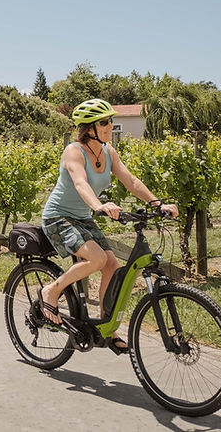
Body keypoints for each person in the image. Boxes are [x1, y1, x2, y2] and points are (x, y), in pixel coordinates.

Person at [38, 99, 177, 354]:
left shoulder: (108, 151)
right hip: (58, 216)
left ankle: (105, 325)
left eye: (111, 120)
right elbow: (80, 183)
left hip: (82, 217)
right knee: (98, 259)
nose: (110, 125)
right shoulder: (73, 151)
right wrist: (99, 206)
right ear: (89, 127)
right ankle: (51, 291)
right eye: (104, 122)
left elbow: (131, 181)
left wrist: (157, 203)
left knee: (112, 265)